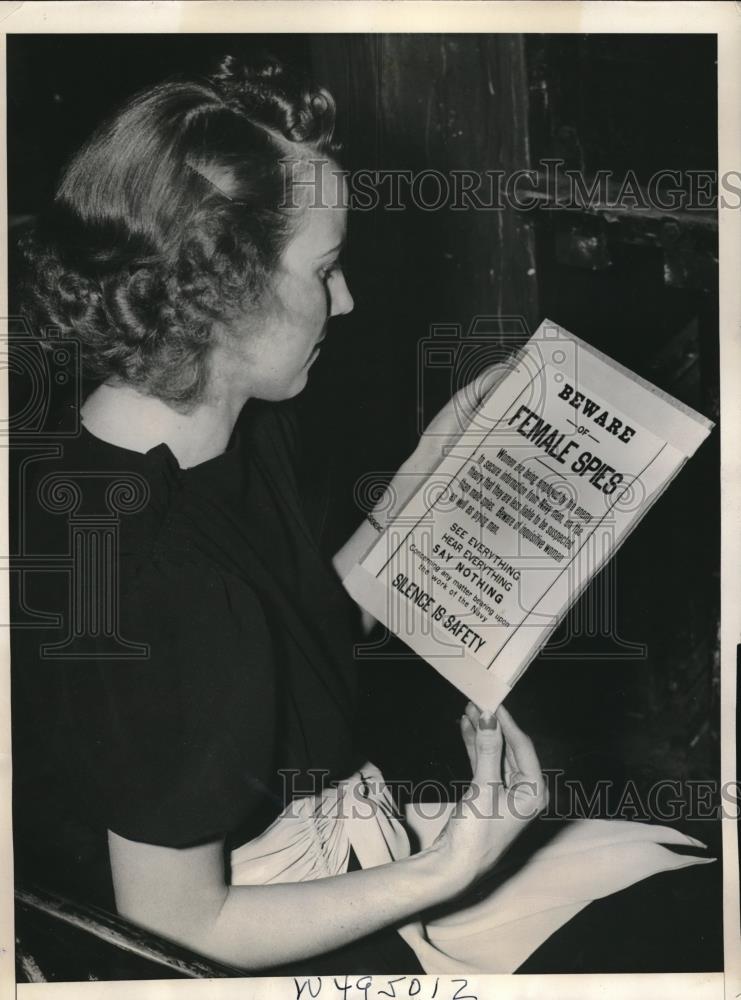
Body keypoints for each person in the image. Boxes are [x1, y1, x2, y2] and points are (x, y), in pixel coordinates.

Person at [11, 54, 709, 978]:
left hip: (314, 834)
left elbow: (282, 635)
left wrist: (439, 461)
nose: (348, 299)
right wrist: (452, 864)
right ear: (218, 288)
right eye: (327, 268)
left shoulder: (172, 436)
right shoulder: (161, 585)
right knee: (680, 935)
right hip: (240, 931)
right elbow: (176, 932)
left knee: (681, 875)